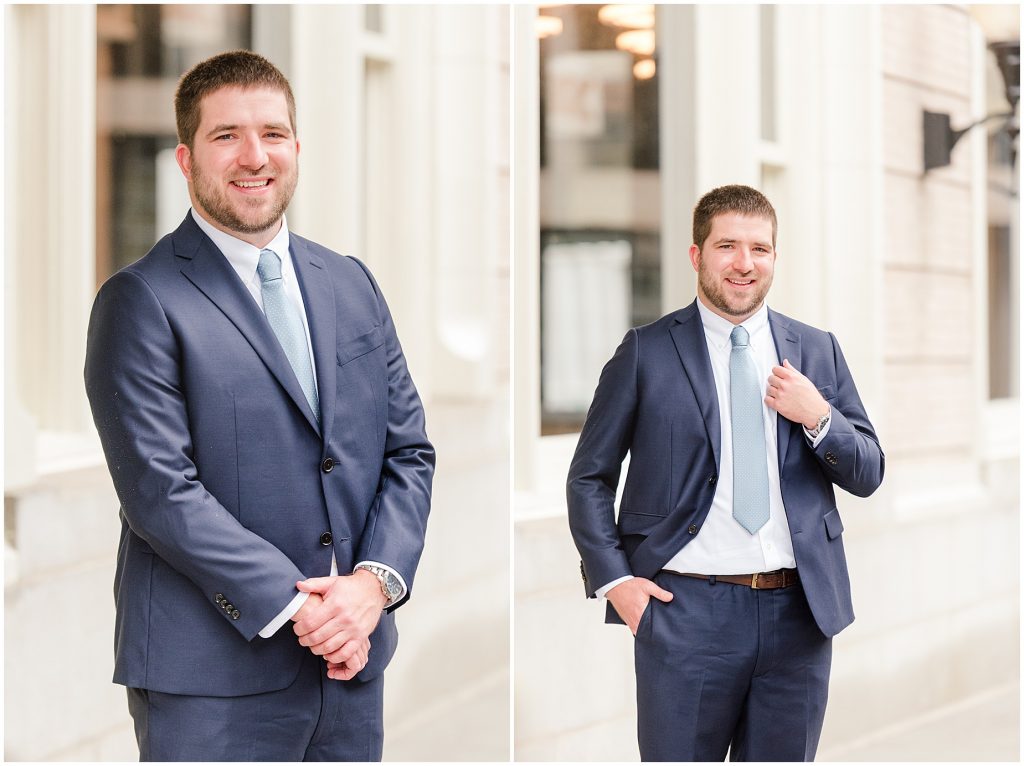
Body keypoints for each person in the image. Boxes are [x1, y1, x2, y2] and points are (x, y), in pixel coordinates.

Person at [85, 50, 434, 762]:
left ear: (296, 148)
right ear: (185, 159)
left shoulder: (350, 283)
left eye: (273, 133)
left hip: (350, 663)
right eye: (226, 136)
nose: (255, 156)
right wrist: (307, 609)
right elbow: (160, 492)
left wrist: (374, 585)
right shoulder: (142, 301)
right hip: (212, 679)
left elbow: (407, 452)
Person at [567, 185, 884, 761]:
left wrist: (818, 417)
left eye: (759, 249)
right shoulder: (645, 352)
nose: (744, 263)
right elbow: (589, 476)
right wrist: (618, 584)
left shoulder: (816, 350)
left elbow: (868, 470)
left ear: (774, 258)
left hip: (798, 614)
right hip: (686, 613)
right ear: (697, 256)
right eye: (728, 246)